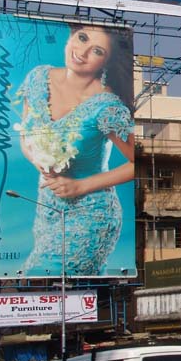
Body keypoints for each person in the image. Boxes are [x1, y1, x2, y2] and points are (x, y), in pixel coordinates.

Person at [14, 23, 135, 276]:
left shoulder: (106, 106)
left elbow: (137, 164)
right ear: (70, 38)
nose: (82, 51)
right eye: (81, 38)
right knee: (54, 293)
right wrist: (38, 159)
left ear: (105, 63)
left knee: (42, 278)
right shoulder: (37, 78)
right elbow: (26, 136)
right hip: (47, 208)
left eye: (97, 51)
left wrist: (80, 186)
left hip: (91, 213)